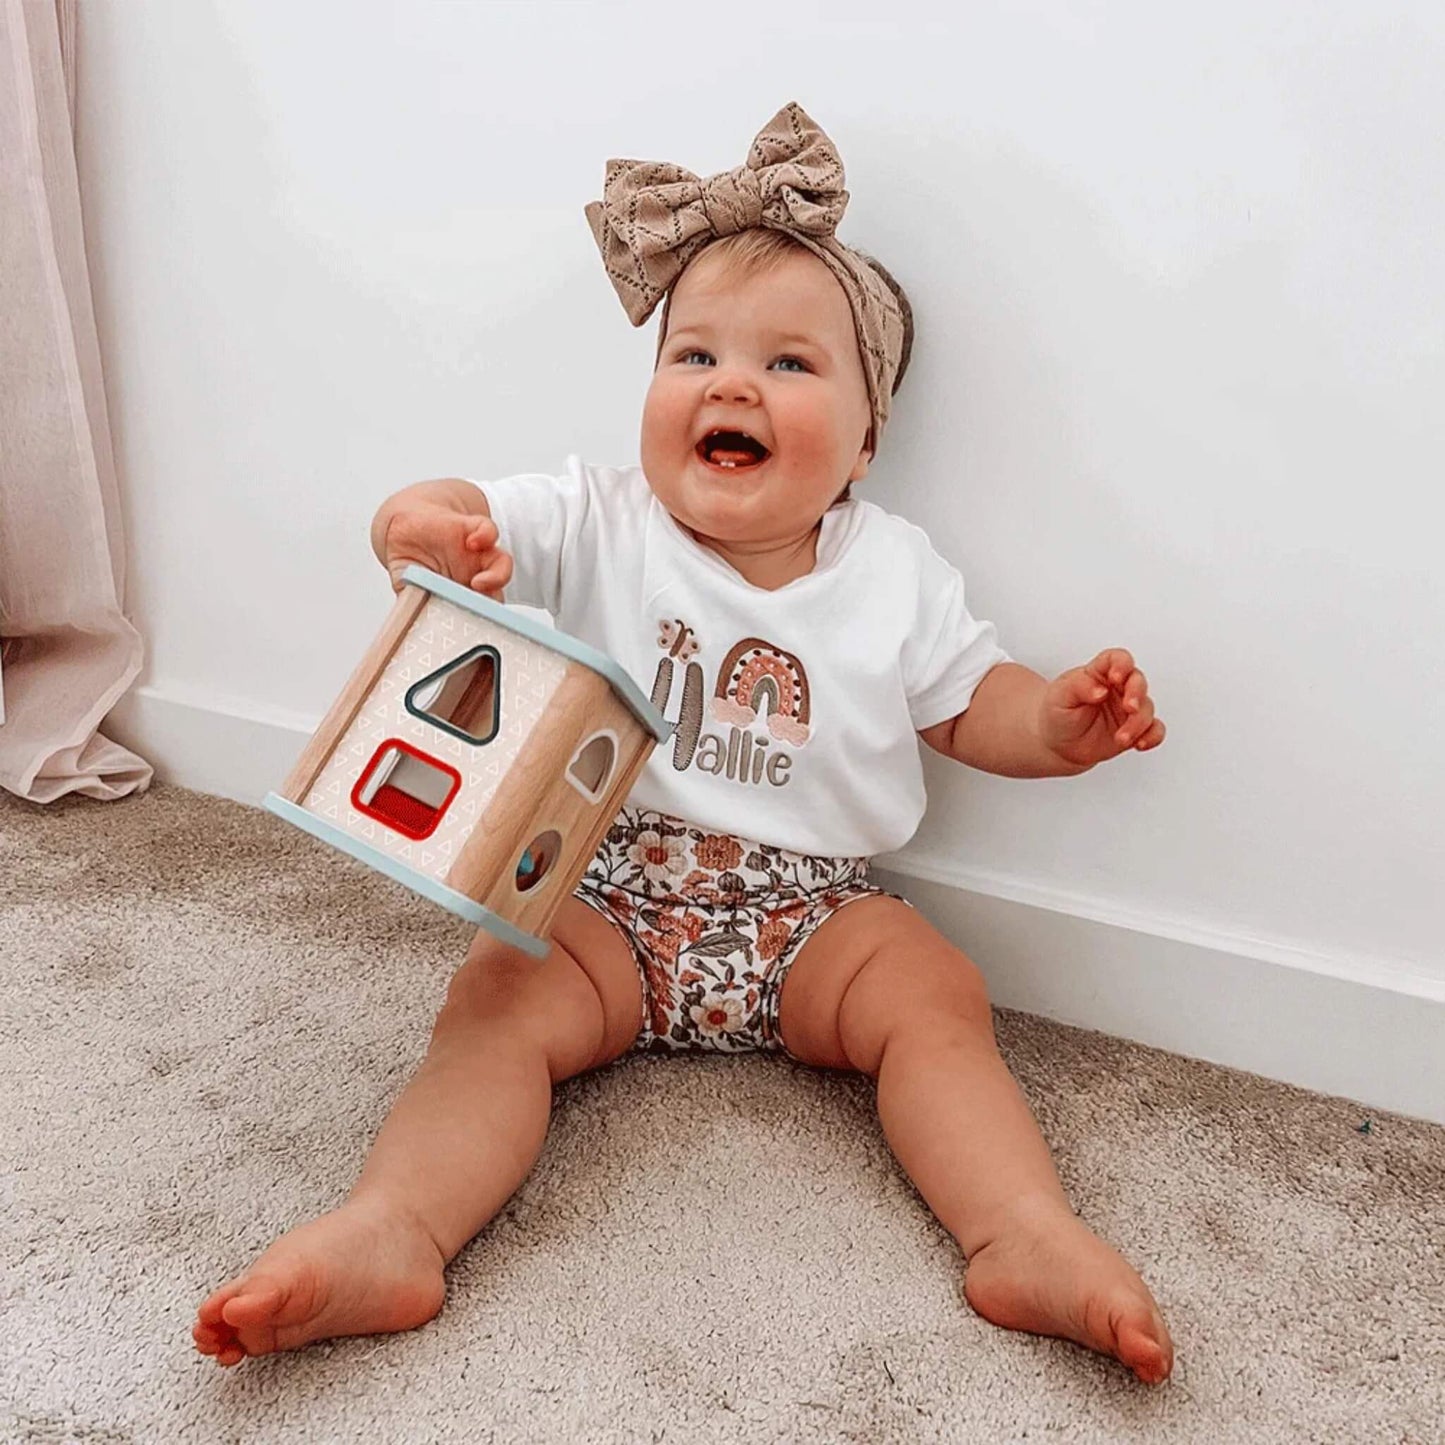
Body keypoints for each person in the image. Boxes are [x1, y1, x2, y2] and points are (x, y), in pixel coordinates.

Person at [194, 102, 1172, 1383]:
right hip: (602, 885)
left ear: (864, 440)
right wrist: (420, 527)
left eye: (787, 366)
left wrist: (1054, 722)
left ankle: (1022, 1229)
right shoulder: (600, 518)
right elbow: (455, 507)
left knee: (936, 995)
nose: (729, 383)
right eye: (692, 354)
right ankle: (395, 1225)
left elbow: (967, 703)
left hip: (817, 910)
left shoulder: (895, 572)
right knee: (494, 996)